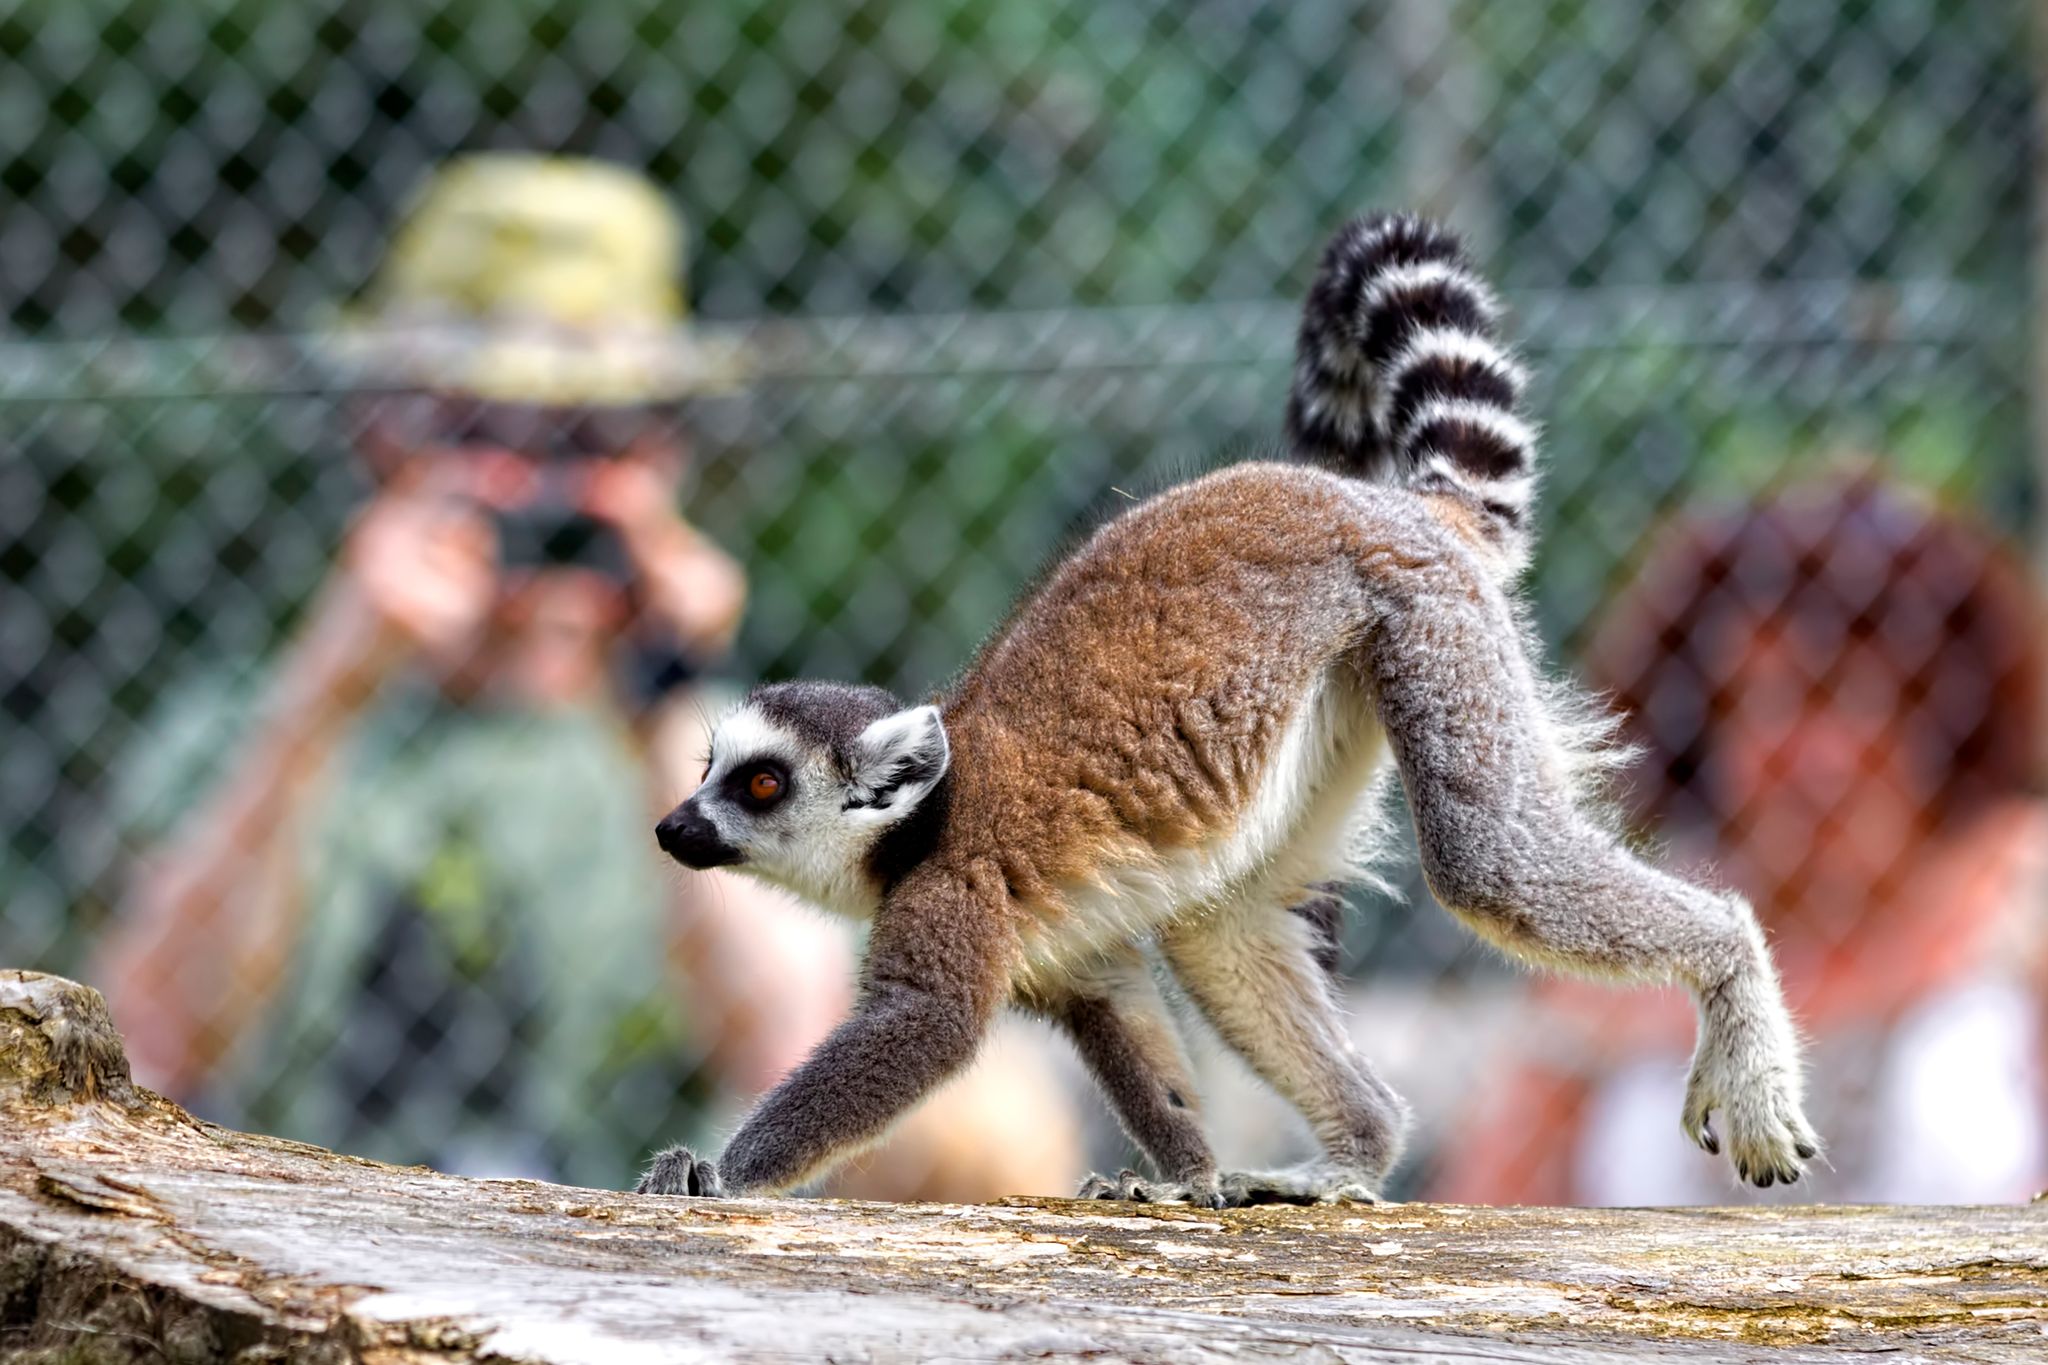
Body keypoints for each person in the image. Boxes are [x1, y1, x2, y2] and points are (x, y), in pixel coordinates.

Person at [95, 154, 1080, 1196]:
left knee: (985, 1113)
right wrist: (325, 690)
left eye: (593, 437)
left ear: (665, 456)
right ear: (383, 434)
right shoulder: (250, 733)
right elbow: (145, 1052)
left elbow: (789, 1053)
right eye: (486, 433)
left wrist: (662, 697)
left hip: (639, 1273)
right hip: (298, 1248)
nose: (543, 485)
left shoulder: (713, 750)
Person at [1429, 473, 2047, 1204]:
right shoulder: (1628, 936)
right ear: (1706, 735)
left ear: (1937, 717)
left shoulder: (2021, 896)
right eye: (1766, 703)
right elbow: (1485, 1217)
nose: (1821, 760)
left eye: (1857, 701)